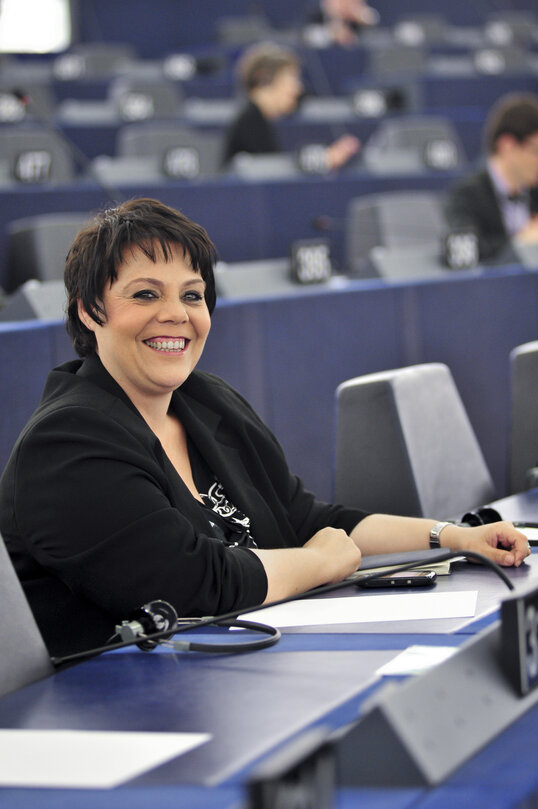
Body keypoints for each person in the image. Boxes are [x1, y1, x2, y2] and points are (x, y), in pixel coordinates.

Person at [0, 198, 529, 658]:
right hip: (115, 711)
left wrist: (450, 537)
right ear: (91, 310)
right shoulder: (67, 442)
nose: (176, 314)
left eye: (192, 294)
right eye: (145, 295)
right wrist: (317, 564)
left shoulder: (207, 402)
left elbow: (307, 518)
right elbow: (191, 585)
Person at [222, 42, 360, 169]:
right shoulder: (250, 123)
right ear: (264, 79)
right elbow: (272, 172)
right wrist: (325, 160)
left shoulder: (257, 117)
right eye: (291, 79)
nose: (298, 88)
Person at [444, 93, 538, 264]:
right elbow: (465, 251)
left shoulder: (534, 190)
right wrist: (521, 243)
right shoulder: (467, 195)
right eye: (536, 152)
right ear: (507, 146)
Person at [305, 0, 379, 47]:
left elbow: (373, 21)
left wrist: (362, 16)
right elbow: (309, 37)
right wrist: (332, 34)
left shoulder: (356, 19)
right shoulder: (316, 13)